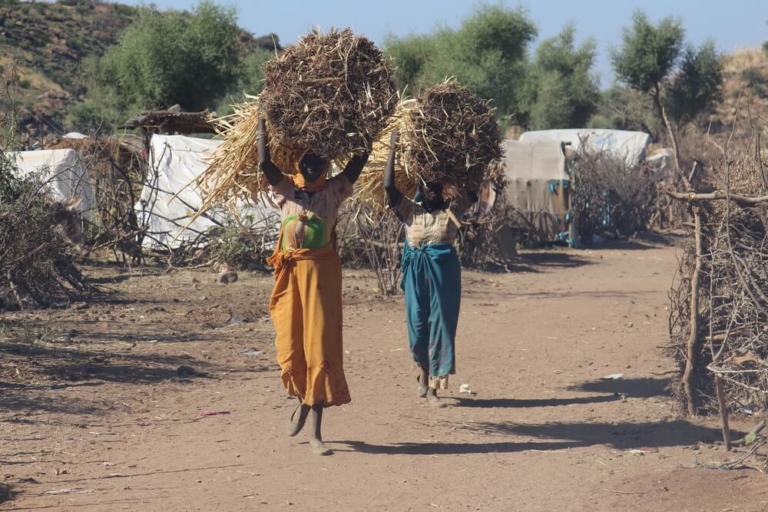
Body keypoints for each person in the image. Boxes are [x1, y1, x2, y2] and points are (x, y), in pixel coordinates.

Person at [258, 118, 369, 455]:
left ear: (327, 164)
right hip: (291, 280)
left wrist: (365, 125)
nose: (311, 166)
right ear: (297, 161)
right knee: (293, 345)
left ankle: (316, 433)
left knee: (320, 348)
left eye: (318, 162)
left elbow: (361, 158)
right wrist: (262, 123)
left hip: (321, 280)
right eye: (306, 161)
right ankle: (302, 403)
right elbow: (265, 162)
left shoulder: (335, 190)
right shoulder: (287, 190)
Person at [383, 128, 477, 408]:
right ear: (421, 187)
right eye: (428, 186)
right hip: (416, 277)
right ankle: (423, 374)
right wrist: (392, 148)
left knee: (441, 328)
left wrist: (473, 150)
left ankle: (434, 388)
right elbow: (388, 186)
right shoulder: (411, 211)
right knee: (417, 328)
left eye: (438, 187)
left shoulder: (452, 212)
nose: (433, 191)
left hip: (444, 278)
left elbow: (473, 188)